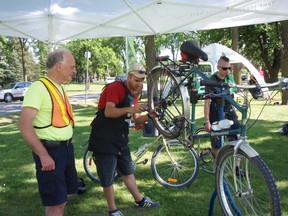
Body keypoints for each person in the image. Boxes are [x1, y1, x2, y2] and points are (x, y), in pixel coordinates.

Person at [88, 63, 160, 216]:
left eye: (141, 81)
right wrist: (129, 109)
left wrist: (149, 116)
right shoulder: (116, 88)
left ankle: (140, 200)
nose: (139, 84)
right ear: (129, 77)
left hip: (120, 138)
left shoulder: (134, 93)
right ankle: (113, 210)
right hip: (104, 138)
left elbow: (137, 121)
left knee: (128, 171)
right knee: (107, 177)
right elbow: (108, 112)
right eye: (136, 80)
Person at [18, 49, 78, 216]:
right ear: (59, 66)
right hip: (50, 153)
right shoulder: (38, 88)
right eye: (72, 67)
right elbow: (24, 125)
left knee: (60, 200)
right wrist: (43, 155)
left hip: (64, 150)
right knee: (56, 203)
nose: (75, 71)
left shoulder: (58, 87)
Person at [204, 56, 240, 158]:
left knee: (237, 141)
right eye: (225, 68)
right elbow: (206, 102)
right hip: (216, 115)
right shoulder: (211, 80)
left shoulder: (229, 78)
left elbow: (232, 96)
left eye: (229, 68)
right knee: (217, 145)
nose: (228, 71)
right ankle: (218, 169)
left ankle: (237, 168)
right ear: (218, 68)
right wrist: (207, 121)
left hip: (229, 114)